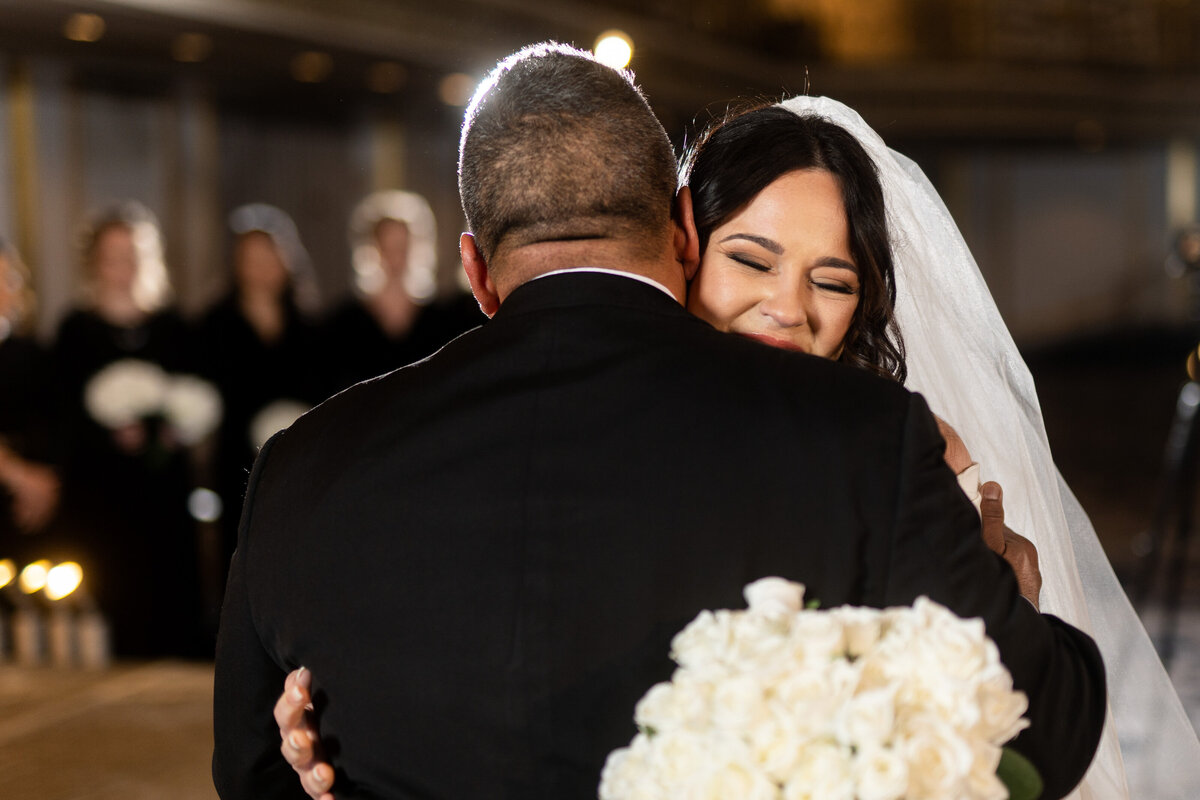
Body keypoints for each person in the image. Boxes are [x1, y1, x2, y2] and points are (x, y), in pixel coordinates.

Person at [213, 43, 1105, 800]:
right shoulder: (866, 443)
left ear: (476, 271)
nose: (786, 308)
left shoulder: (299, 468)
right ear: (685, 228)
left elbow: (249, 774)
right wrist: (1009, 609)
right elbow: (1040, 733)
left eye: (830, 278)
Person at [53, 201, 205, 656]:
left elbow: (195, 395)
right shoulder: (75, 329)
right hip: (102, 492)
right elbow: (62, 411)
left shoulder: (173, 326)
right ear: (95, 261)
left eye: (130, 254)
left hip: (162, 489)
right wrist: (108, 435)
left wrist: (174, 429)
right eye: (112, 255)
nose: (121, 265)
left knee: (171, 600)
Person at [196, 204, 325, 575]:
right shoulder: (215, 324)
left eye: (269, 256)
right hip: (238, 463)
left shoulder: (308, 324)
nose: (261, 267)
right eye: (250, 258)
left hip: (297, 464)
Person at [323, 191, 483, 393]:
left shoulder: (442, 318)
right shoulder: (345, 321)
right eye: (387, 246)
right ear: (371, 249)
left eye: (401, 246)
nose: (395, 256)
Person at [0, 237, 59, 557]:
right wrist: (18, 476)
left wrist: (45, 485)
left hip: (27, 514)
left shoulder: (33, 353)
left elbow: (54, 422)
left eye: (8, 279)